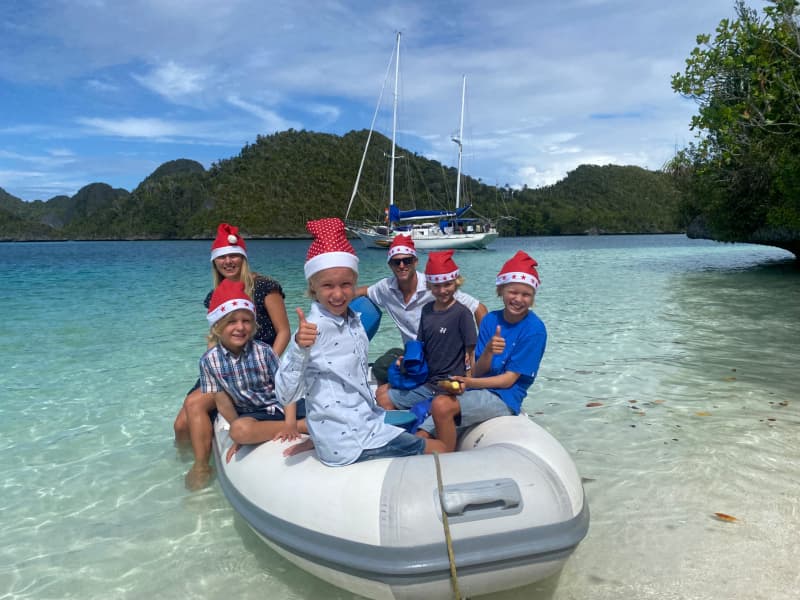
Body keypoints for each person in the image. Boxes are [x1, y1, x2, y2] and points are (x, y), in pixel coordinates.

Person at [275, 218, 447, 465]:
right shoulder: (312, 330)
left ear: (355, 284)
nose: (338, 294)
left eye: (346, 284)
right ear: (313, 287)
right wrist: (298, 349)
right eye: (327, 286)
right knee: (441, 448)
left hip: (366, 423)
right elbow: (285, 393)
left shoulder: (352, 319)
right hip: (352, 441)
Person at [175, 223, 291, 489]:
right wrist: (212, 366)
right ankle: (183, 460)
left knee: (194, 406)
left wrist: (262, 366)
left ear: (243, 257)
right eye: (222, 257)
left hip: (260, 363)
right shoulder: (213, 296)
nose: (228, 261)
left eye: (233, 255)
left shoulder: (265, 287)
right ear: (215, 262)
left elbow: (284, 331)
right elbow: (216, 336)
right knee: (180, 425)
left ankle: (202, 466)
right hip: (224, 365)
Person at [421, 251, 547, 452]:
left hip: (505, 397)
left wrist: (469, 382)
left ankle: (447, 459)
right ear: (501, 291)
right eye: (513, 292)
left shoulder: (534, 330)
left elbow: (508, 381)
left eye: (526, 294)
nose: (518, 299)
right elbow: (478, 370)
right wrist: (488, 351)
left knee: (442, 405)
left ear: (533, 298)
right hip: (479, 389)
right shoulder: (490, 320)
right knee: (421, 433)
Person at [198, 278, 305, 479]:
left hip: (284, 406)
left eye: (246, 321)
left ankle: (298, 424)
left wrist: (290, 422)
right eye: (231, 321)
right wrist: (239, 435)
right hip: (255, 415)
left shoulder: (263, 351)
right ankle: (303, 426)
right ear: (217, 326)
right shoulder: (209, 362)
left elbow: (287, 387)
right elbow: (222, 402)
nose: (240, 327)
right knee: (238, 430)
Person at [355, 234, 487, 383]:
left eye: (407, 260)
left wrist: (481, 353)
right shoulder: (385, 288)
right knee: (380, 367)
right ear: (390, 265)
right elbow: (362, 291)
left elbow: (478, 308)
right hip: (414, 355)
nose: (402, 265)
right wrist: (330, 297)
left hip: (443, 359)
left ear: (415, 261)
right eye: (396, 262)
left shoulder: (435, 285)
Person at [376, 250, 477, 411]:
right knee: (381, 390)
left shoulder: (462, 314)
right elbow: (421, 346)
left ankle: (408, 429)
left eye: (447, 285)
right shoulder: (427, 310)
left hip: (446, 384)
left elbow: (471, 354)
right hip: (427, 378)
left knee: (384, 399)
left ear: (456, 283)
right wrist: (405, 362)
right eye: (436, 286)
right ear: (429, 285)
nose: (442, 290)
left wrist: (471, 385)